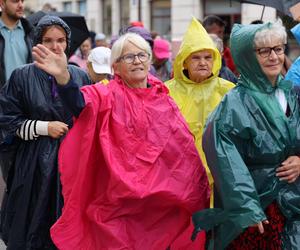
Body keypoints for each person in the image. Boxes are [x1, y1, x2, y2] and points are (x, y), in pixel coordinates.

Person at [31, 32, 210, 249]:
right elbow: (80, 103)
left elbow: (183, 150)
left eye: (142, 55)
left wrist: (195, 185)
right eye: (128, 57)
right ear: (115, 66)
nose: (137, 61)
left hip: (161, 205)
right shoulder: (105, 94)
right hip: (119, 205)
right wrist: (63, 79)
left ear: (150, 59)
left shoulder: (163, 96)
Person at [192, 21, 300, 249]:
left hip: (293, 201)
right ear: (247, 57)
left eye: (278, 49)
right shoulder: (234, 104)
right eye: (263, 51)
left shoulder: (291, 94)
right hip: (259, 208)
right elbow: (226, 162)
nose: (274, 57)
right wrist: (247, 207)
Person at [0, 15, 91, 249]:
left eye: (61, 40)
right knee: (32, 224)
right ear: (38, 42)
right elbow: (7, 120)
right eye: (48, 40)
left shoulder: (79, 75)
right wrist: (43, 128)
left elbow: (89, 116)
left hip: (71, 165)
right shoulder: (22, 75)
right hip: (32, 166)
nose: (55, 46)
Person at [166, 18, 234, 249]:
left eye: (208, 57)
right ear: (184, 61)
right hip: (181, 177)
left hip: (221, 176)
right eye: (196, 57)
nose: (203, 62)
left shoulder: (229, 91)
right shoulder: (165, 92)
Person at [0, 0, 33, 87]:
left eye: (22, 1)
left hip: (25, 96)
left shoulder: (31, 32)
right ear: (2, 4)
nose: (21, 5)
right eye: (15, 1)